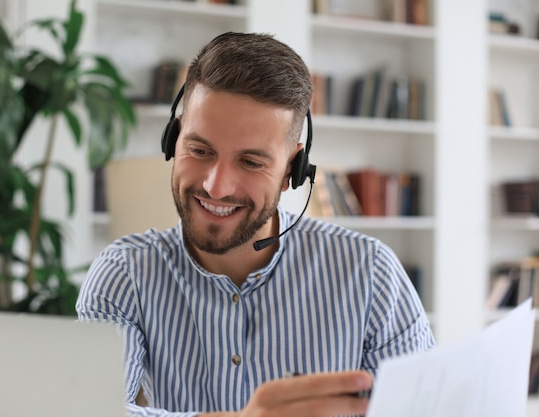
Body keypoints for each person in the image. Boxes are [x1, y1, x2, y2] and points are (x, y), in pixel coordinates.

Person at [76, 31, 435, 417]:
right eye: (200, 150)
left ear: (291, 171)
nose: (215, 186)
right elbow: (91, 412)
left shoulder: (370, 273)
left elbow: (429, 409)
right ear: (174, 140)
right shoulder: (124, 274)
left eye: (250, 162)